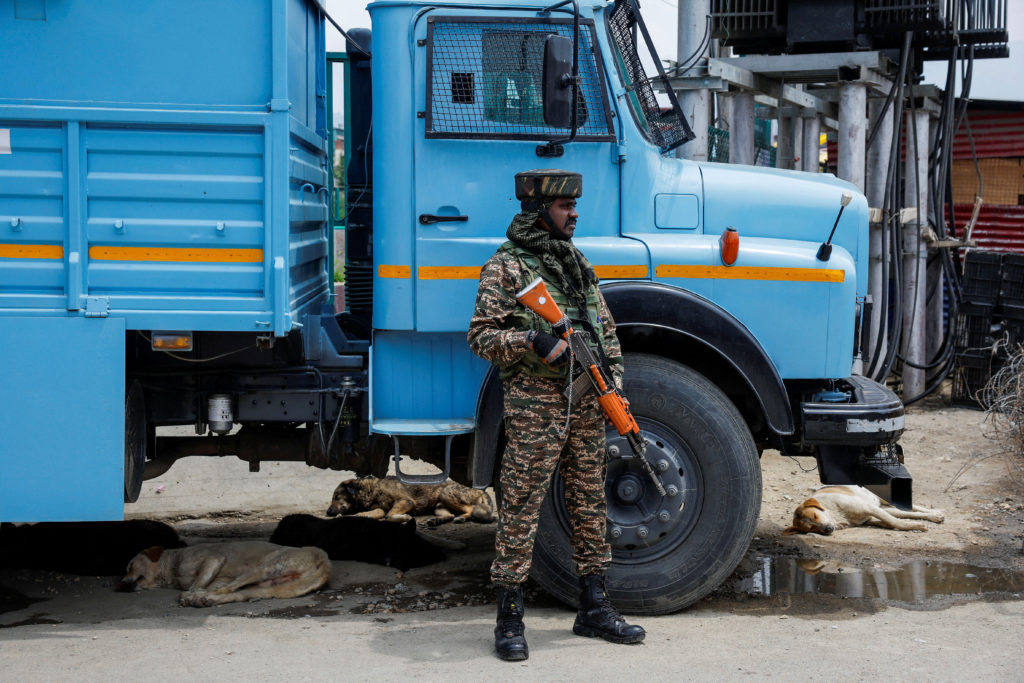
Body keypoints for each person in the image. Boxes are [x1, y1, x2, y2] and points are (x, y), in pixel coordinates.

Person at [467, 169, 645, 662]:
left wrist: (615, 390)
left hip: (587, 402)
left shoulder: (575, 263)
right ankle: (509, 617)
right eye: (565, 207)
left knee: (590, 503)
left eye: (574, 205)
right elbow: (480, 336)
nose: (574, 213)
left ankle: (593, 607)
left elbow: (603, 330)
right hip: (536, 405)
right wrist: (531, 340)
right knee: (522, 506)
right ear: (539, 211)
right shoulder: (507, 268)